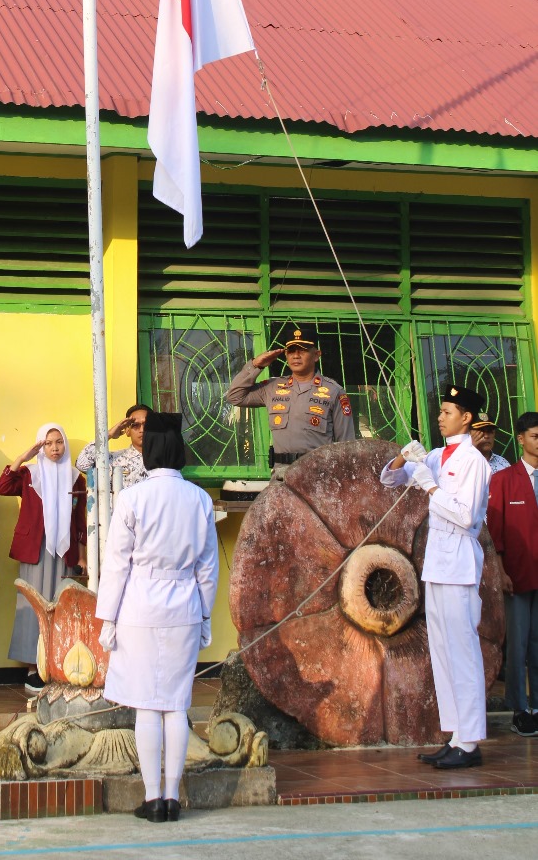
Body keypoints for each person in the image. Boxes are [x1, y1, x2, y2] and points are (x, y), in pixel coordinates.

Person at [96, 410, 218, 823]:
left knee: (147, 706)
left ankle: (152, 800)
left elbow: (117, 564)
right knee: (176, 704)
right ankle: (173, 797)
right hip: (184, 604)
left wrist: (107, 618)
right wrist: (205, 615)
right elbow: (207, 567)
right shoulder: (200, 499)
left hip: (140, 606)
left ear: (148, 452)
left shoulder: (132, 498)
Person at [380, 385, 491, 769]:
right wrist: (403, 456)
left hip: (460, 562)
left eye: (447, 412)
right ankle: (457, 736)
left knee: (463, 652)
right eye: (440, 411)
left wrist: (429, 483)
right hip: (437, 563)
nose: (440, 417)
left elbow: (465, 515)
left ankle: (471, 742)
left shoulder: (474, 461)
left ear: (466, 417)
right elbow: (389, 480)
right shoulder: (437, 455)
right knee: (442, 653)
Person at [0, 424, 87, 693]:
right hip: (35, 549)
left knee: (61, 606)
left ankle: (57, 665)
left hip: (65, 552)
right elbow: (2, 487)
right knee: (33, 604)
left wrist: (82, 557)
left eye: (59, 442)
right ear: (40, 446)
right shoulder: (29, 475)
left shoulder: (75, 479)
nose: (55, 448)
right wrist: (24, 457)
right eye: (48, 443)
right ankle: (33, 667)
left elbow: (80, 520)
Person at [226, 325, 355, 479]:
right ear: (286, 355)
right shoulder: (272, 387)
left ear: (316, 355)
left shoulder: (334, 391)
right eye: (291, 351)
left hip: (318, 476)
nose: (296, 356)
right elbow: (235, 396)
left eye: (303, 350)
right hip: (282, 476)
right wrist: (256, 365)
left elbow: (347, 445)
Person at [486, 411, 538, 737]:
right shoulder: (504, 479)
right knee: (518, 645)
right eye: (535, 436)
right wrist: (501, 571)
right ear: (521, 439)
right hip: (517, 575)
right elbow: (496, 533)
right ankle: (520, 708)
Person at [76, 404, 150, 489]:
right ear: (127, 430)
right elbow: (82, 464)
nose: (142, 430)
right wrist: (109, 434)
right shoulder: (114, 460)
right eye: (135, 425)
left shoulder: (163, 460)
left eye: (147, 424)